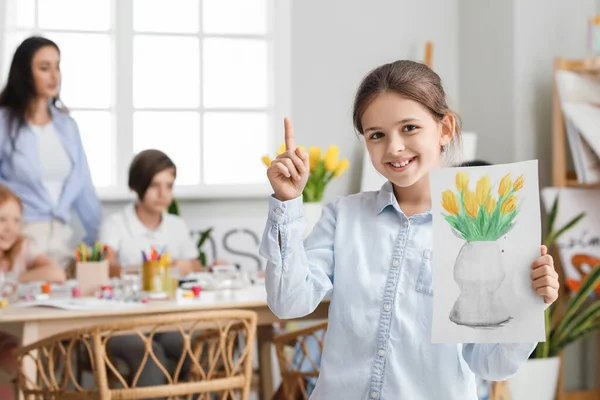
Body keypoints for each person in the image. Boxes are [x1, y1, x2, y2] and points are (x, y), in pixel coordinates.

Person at [259, 60, 560, 399]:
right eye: (377, 135)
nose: (394, 147)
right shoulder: (343, 217)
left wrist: (530, 305)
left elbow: (491, 365)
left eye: (410, 128)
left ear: (444, 128)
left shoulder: (483, 234)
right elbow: (288, 303)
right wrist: (286, 202)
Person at [99, 149, 213, 391]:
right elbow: (104, 267)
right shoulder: (115, 224)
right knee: (150, 353)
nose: (163, 194)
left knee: (202, 344)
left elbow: (195, 265)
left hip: (168, 320)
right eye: (154, 185)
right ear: (135, 186)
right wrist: (154, 269)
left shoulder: (176, 225)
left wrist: (186, 266)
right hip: (123, 324)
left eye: (169, 186)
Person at [0, 36, 102, 269]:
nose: (54, 76)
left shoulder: (67, 125)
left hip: (61, 239)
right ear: (25, 73)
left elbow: (84, 187)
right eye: (44, 68)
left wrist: (100, 241)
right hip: (18, 240)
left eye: (57, 66)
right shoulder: (4, 123)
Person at [0, 184, 65, 399]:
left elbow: (56, 273)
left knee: (24, 363)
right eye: (2, 220)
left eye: (16, 220)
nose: (10, 228)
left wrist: (14, 279)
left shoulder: (22, 248)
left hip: (9, 336)